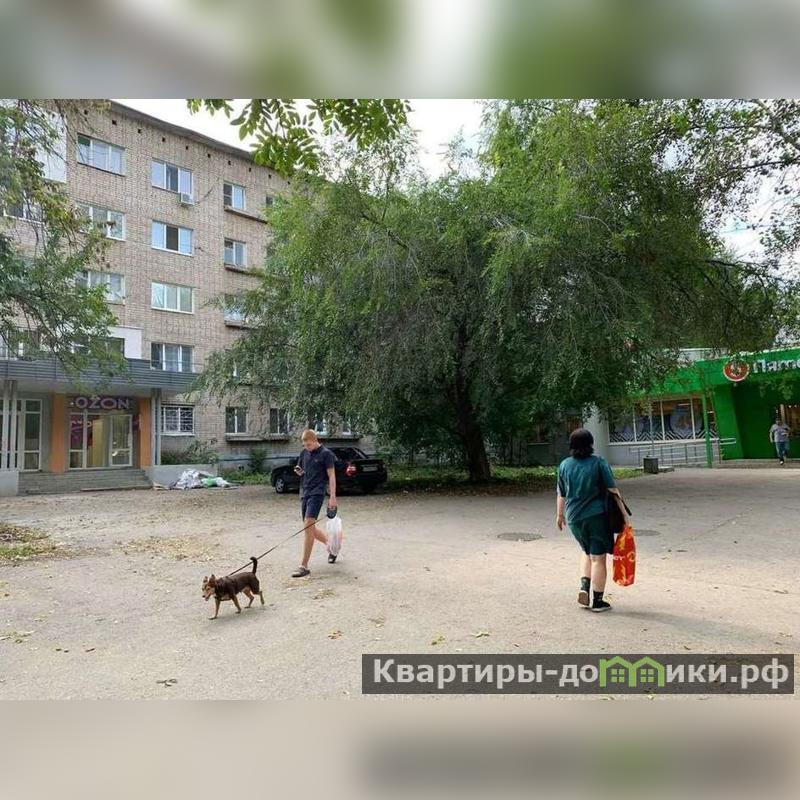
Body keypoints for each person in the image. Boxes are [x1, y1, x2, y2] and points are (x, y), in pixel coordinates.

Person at [556, 428, 627, 613]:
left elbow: (561, 494)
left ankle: (584, 587)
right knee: (598, 558)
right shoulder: (598, 462)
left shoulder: (564, 465)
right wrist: (625, 517)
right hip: (596, 517)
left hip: (573, 518)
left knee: (586, 551)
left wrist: (559, 515)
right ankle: (598, 601)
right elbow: (613, 490)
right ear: (591, 444)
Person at [291, 429, 338, 578]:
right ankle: (332, 546)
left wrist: (332, 497)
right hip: (305, 492)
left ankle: (303, 566)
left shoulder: (326, 454)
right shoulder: (304, 453)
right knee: (309, 527)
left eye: (309, 445)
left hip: (317, 493)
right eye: (305, 445)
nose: (307, 447)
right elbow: (301, 469)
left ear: (315, 440)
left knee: (308, 525)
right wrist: (299, 471)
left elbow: (331, 476)